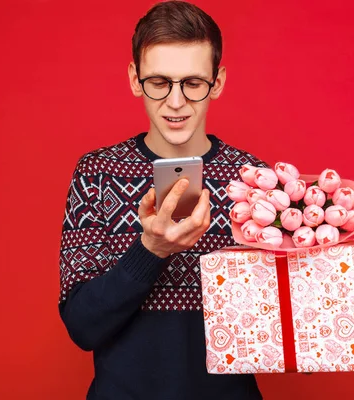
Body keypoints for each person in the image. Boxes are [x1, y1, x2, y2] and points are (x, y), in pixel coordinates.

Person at [58, 1, 267, 399]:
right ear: (135, 80)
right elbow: (82, 327)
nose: (175, 102)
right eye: (159, 82)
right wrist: (150, 250)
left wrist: (303, 332)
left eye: (193, 82)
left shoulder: (252, 180)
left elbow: (269, 325)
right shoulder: (97, 175)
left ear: (217, 83)